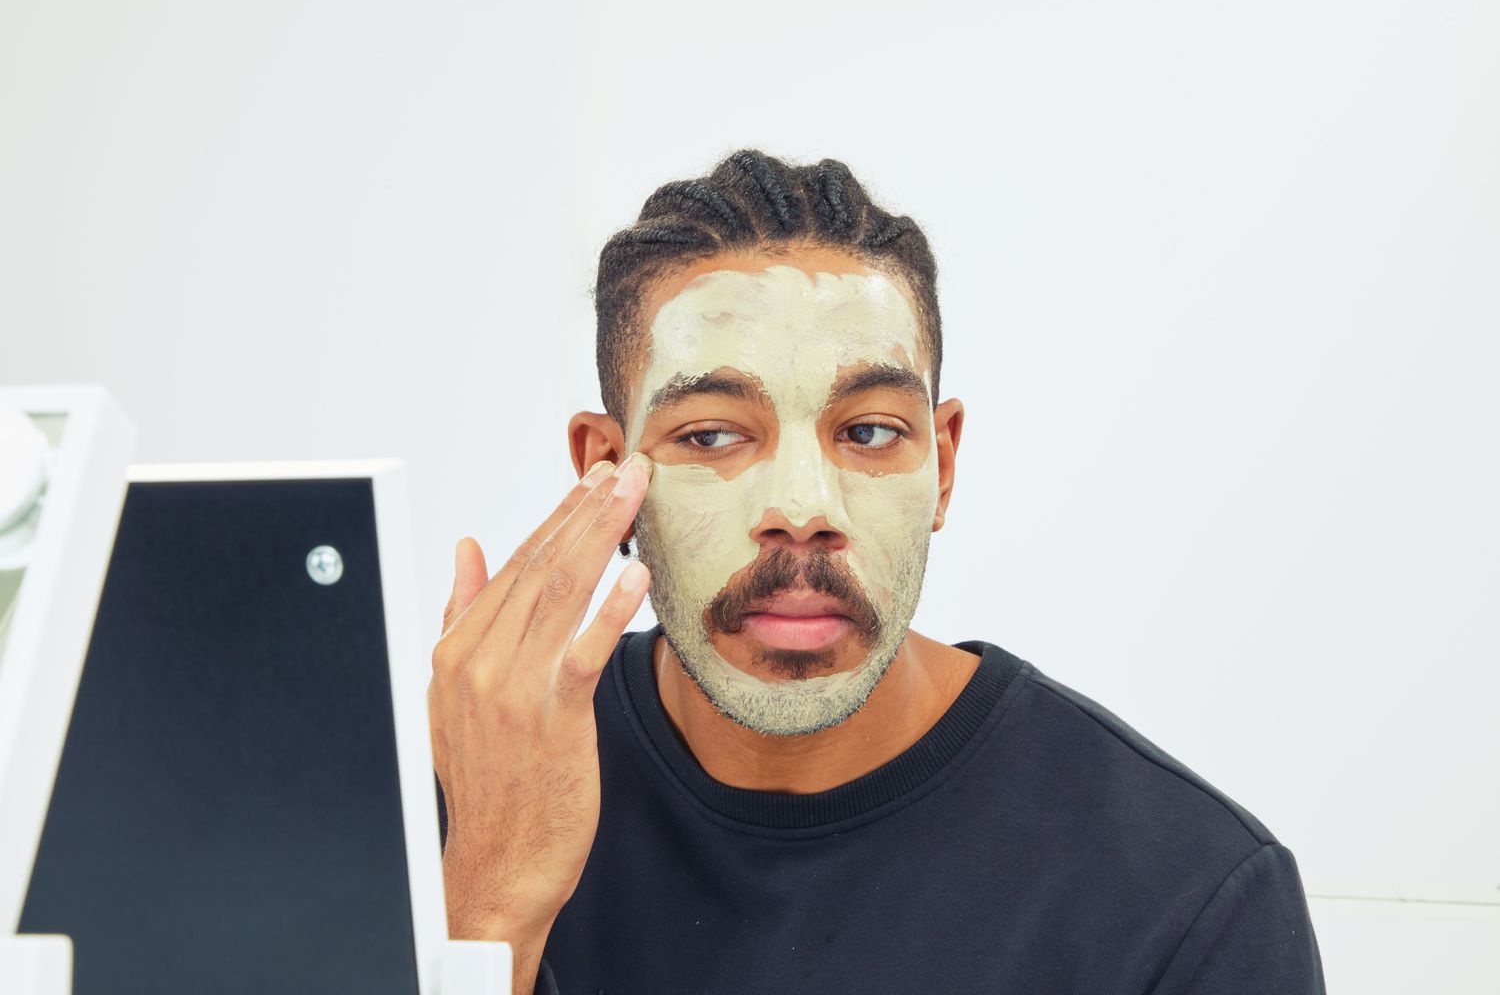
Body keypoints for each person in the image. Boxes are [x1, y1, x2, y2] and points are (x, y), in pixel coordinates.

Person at [428, 149, 1326, 994]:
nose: (802, 507)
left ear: (942, 464)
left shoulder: (1187, 898)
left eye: (867, 432)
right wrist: (490, 914)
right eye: (710, 434)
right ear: (606, 471)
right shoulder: (461, 799)